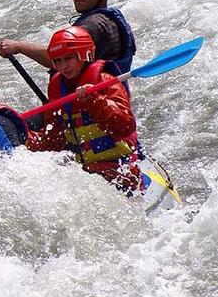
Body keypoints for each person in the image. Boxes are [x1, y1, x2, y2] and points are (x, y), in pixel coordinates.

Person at [25, 27, 141, 191]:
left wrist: (94, 101)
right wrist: (24, 138)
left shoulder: (107, 81)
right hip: (86, 175)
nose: (63, 66)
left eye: (69, 58)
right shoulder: (58, 89)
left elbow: (125, 126)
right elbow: (53, 139)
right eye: (58, 61)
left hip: (121, 172)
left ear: (85, 54)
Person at [0, 0, 137, 74]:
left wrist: (18, 46)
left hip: (92, 100)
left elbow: (57, 58)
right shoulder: (107, 18)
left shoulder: (94, 24)